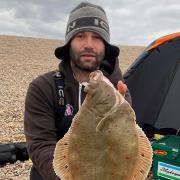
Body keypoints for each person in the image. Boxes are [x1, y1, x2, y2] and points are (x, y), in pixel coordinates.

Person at [24, 2, 131, 180]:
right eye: (80, 36)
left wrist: (122, 113)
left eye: (97, 37)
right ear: (69, 43)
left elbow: (124, 148)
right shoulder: (43, 87)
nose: (89, 44)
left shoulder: (118, 91)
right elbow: (41, 145)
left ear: (105, 46)